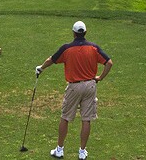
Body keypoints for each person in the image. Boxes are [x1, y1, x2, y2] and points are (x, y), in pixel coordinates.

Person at [35, 21, 112, 160]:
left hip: (74, 87)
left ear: (73, 33)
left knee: (65, 117)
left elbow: (51, 59)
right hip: (90, 86)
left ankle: (59, 150)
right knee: (86, 119)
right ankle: (82, 152)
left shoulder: (67, 48)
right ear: (85, 33)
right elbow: (109, 62)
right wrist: (100, 77)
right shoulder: (94, 48)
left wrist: (41, 68)